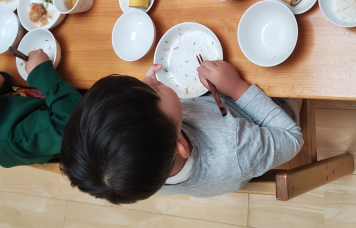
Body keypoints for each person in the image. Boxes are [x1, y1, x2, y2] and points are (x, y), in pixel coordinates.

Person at [60, 60, 302, 203]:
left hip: (217, 105)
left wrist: (143, 94)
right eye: (152, 90)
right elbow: (292, 136)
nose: (149, 82)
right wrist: (237, 88)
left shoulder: (144, 174)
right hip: (267, 116)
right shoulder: (237, 150)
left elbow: (140, 126)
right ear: (181, 146)